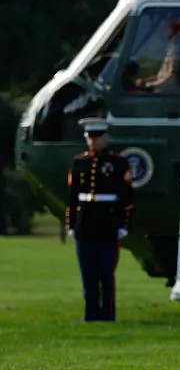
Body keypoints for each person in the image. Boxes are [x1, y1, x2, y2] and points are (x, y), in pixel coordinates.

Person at [65, 117, 135, 322]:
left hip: (108, 222)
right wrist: (71, 223)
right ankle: (91, 313)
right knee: (88, 272)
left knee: (106, 273)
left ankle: (107, 314)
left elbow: (127, 197)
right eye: (90, 137)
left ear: (106, 137)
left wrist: (123, 224)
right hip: (85, 223)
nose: (93, 141)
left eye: (98, 137)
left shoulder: (117, 163)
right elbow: (72, 197)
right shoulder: (79, 162)